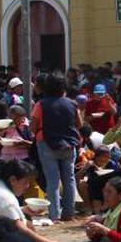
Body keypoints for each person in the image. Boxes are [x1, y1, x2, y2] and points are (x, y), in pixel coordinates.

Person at [31, 73, 81, 222]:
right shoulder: (72, 104)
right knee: (69, 180)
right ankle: (69, 213)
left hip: (46, 144)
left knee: (52, 181)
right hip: (69, 145)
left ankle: (54, 215)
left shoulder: (41, 104)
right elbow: (79, 124)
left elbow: (33, 128)